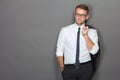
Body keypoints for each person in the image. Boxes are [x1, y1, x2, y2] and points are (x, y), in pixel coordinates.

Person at [56, 4, 99, 80]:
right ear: (74, 14)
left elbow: (94, 51)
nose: (79, 17)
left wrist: (85, 35)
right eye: (77, 14)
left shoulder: (92, 32)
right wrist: (62, 68)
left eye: (82, 15)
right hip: (68, 69)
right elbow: (59, 50)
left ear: (87, 17)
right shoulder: (65, 30)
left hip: (85, 68)